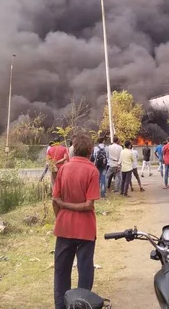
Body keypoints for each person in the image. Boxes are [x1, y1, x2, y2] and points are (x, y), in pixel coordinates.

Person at [52, 131, 100, 309]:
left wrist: (62, 214)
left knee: (61, 270)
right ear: (90, 150)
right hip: (86, 230)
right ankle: (82, 305)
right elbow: (88, 205)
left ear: (73, 150)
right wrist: (67, 207)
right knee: (85, 270)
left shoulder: (63, 168)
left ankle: (60, 306)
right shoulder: (92, 171)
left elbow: (55, 201)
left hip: (64, 228)